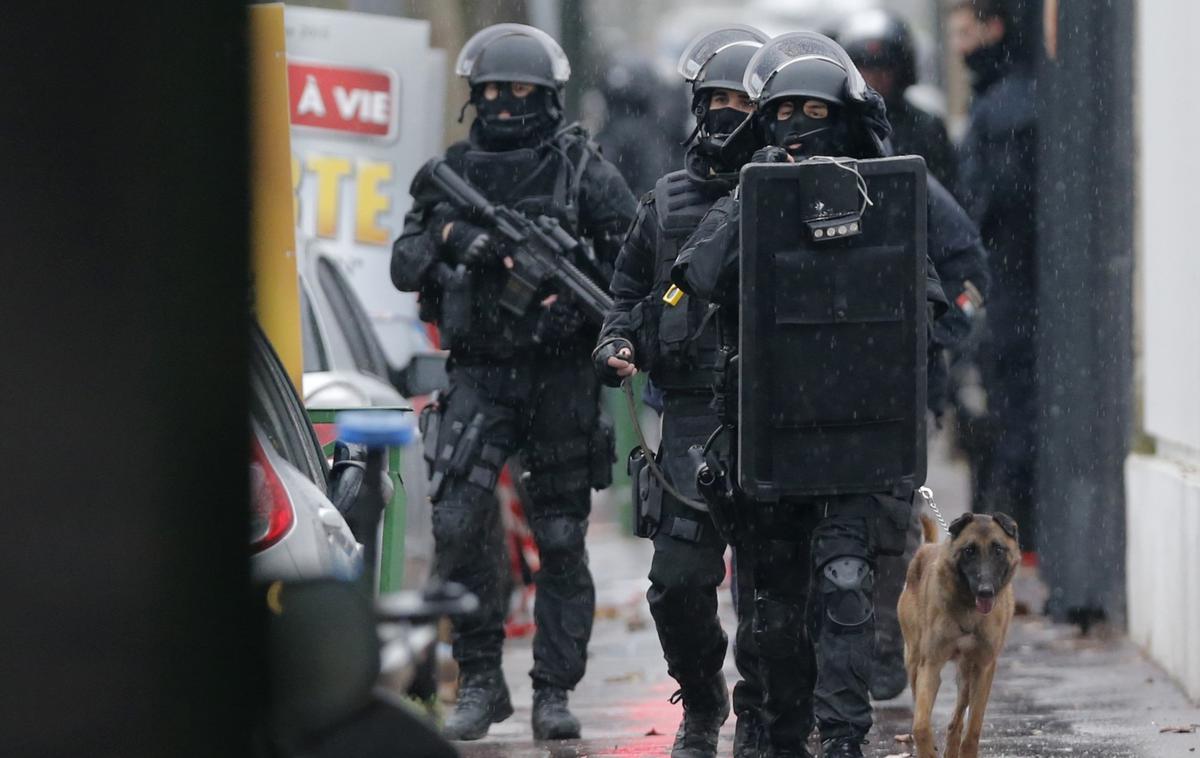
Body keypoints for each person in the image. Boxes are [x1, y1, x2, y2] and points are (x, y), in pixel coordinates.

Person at [670, 32, 987, 757]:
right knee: (774, 611)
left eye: (814, 110)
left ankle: (844, 740)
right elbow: (695, 278)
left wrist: (919, 362)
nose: (797, 126)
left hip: (854, 438)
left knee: (846, 590)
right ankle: (774, 731)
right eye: (780, 113)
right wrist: (759, 198)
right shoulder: (748, 193)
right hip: (773, 440)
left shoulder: (889, 190)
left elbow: (936, 304)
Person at [390, 24, 636, 742]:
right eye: (490, 91)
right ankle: (480, 679)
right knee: (459, 522)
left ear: (548, 97)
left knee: (560, 537)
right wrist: (451, 242)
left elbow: (634, 260)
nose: (502, 103)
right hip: (478, 374)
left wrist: (591, 316)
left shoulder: (580, 170)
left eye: (517, 91)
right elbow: (405, 262)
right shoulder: (454, 171)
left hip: (559, 378)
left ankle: (554, 690)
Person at [592, 25, 769, 758]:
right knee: (676, 584)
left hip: (774, 416)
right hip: (693, 414)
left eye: (742, 100)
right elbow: (626, 295)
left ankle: (766, 714)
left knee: (773, 590)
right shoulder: (663, 203)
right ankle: (703, 702)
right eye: (715, 99)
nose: (727, 112)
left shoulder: (795, 193)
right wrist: (616, 343)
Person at [949, 0, 1038, 548]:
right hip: (1014, 284)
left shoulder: (1001, 106)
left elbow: (989, 200)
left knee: (1010, 414)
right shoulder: (1011, 97)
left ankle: (1014, 533)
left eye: (965, 31)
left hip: (1009, 285)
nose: (959, 45)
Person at [838, 7, 958, 191]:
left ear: (902, 71)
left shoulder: (927, 127)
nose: (874, 77)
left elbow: (947, 194)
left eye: (884, 67)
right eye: (864, 67)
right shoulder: (835, 124)